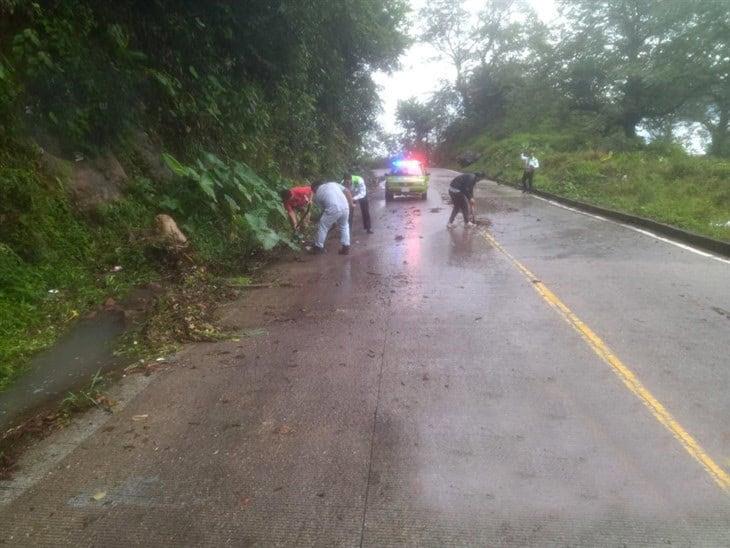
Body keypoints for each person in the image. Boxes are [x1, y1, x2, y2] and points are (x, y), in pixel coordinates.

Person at [311, 180, 354, 255]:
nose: (314, 192)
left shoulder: (317, 195)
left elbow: (325, 211)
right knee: (344, 226)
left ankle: (318, 247)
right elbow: (347, 191)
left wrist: (331, 221)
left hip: (333, 208)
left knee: (322, 225)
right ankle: (346, 247)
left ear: (315, 188)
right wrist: (351, 204)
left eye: (313, 190)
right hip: (345, 206)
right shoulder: (333, 184)